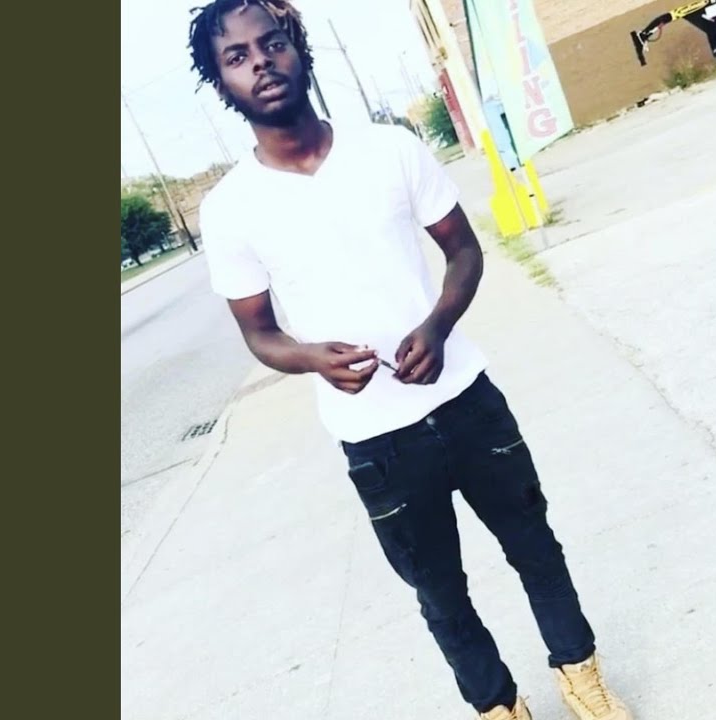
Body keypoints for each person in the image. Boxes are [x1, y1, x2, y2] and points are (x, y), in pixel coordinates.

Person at [187, 2, 632, 718]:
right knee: (439, 592)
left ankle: (582, 679)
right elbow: (260, 334)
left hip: (466, 400)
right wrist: (311, 358)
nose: (261, 62)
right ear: (219, 81)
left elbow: (464, 251)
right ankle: (498, 708)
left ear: (299, 50)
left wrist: (439, 323)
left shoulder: (388, 149)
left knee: (535, 546)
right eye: (237, 57)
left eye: (272, 44)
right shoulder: (230, 208)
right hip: (376, 440)